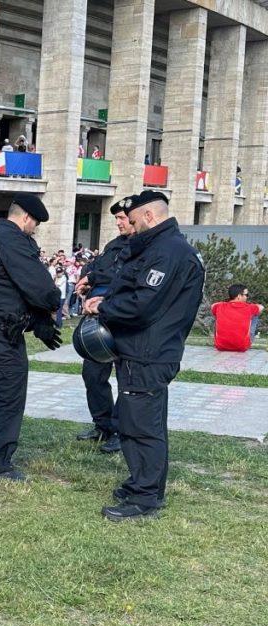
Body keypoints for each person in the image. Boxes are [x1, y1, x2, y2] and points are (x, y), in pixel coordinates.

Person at [83, 190, 205, 521]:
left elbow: (143, 304)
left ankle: (146, 497)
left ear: (150, 217)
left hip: (148, 353)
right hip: (141, 350)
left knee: (143, 427)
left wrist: (104, 306)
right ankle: (141, 482)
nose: (131, 228)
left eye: (134, 221)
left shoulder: (167, 252)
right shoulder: (160, 247)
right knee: (134, 421)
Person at [0, 194, 61, 481]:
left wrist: (36, 320)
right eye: (35, 224)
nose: (34, 230)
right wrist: (51, 304)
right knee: (6, 395)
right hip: (4, 332)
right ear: (26, 219)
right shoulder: (13, 241)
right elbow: (37, 285)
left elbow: (3, 287)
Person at [74, 199, 132, 452]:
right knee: (93, 374)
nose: (118, 223)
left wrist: (97, 278)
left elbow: (126, 276)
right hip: (98, 320)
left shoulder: (144, 246)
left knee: (126, 378)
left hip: (124, 319)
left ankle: (122, 430)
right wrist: (87, 278)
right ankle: (103, 425)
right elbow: (98, 267)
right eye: (116, 219)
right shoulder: (114, 245)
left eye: (122, 218)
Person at [211, 284, 263, 352]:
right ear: (239, 296)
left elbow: (212, 306)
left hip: (220, 346)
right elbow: (261, 307)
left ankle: (221, 338)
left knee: (217, 313)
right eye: (246, 295)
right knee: (256, 313)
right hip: (242, 347)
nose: (247, 297)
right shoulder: (249, 307)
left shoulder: (220, 306)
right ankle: (247, 338)